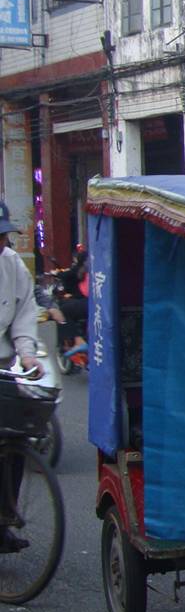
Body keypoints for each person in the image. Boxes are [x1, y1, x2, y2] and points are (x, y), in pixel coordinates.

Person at [0, 201, 39, 555]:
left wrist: (27, 353)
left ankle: (4, 518)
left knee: (16, 440)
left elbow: (25, 313)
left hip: (2, 365)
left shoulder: (12, 265)